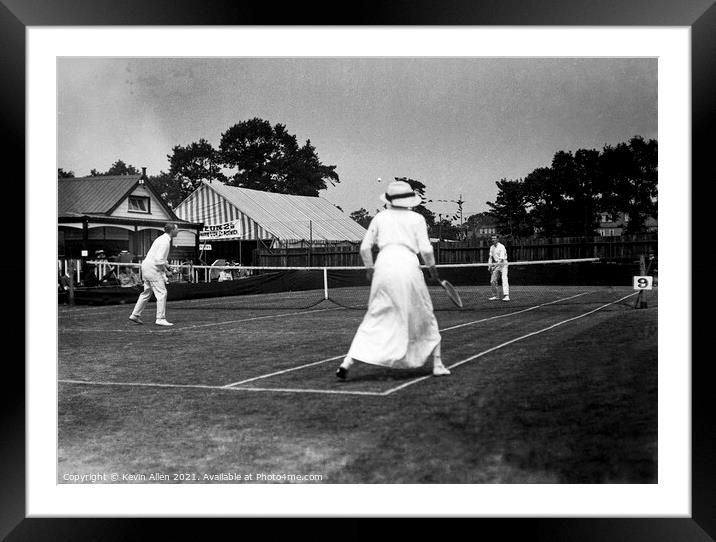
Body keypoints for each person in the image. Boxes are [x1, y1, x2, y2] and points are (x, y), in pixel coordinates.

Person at [336, 180, 450, 380]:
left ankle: (347, 362)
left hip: (383, 266)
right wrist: (432, 269)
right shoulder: (417, 219)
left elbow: (364, 248)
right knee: (426, 315)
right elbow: (426, 248)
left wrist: (370, 269)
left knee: (375, 314)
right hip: (408, 266)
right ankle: (438, 364)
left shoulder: (380, 218)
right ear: (410, 200)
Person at [128, 223, 179, 326]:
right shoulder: (165, 242)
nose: (178, 231)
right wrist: (167, 271)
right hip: (152, 269)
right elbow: (158, 260)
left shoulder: (161, 239)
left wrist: (168, 267)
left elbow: (160, 259)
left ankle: (135, 315)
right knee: (162, 293)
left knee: (146, 292)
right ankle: (160, 318)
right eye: (177, 229)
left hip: (146, 267)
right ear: (172, 230)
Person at [487, 234, 510, 301]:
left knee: (504, 279)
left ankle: (506, 296)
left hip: (503, 264)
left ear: (497, 239)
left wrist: (494, 267)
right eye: (492, 238)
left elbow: (501, 259)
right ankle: (495, 296)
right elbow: (490, 257)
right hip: (496, 264)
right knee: (492, 281)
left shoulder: (501, 247)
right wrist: (489, 266)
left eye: (494, 238)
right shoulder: (491, 247)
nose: (493, 239)